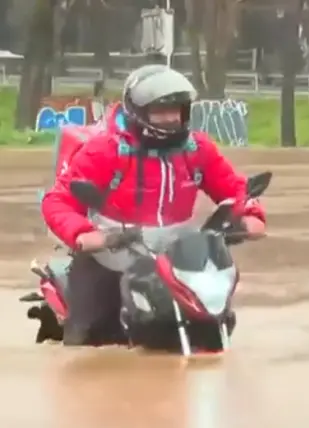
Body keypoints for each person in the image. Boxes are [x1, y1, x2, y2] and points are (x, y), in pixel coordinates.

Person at [40, 65, 266, 346]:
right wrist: (85, 234)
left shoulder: (198, 150)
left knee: (216, 321)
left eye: (177, 110)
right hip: (112, 254)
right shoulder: (105, 150)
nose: (171, 118)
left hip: (176, 262)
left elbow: (236, 190)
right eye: (160, 111)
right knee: (91, 338)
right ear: (138, 112)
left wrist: (249, 217)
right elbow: (57, 201)